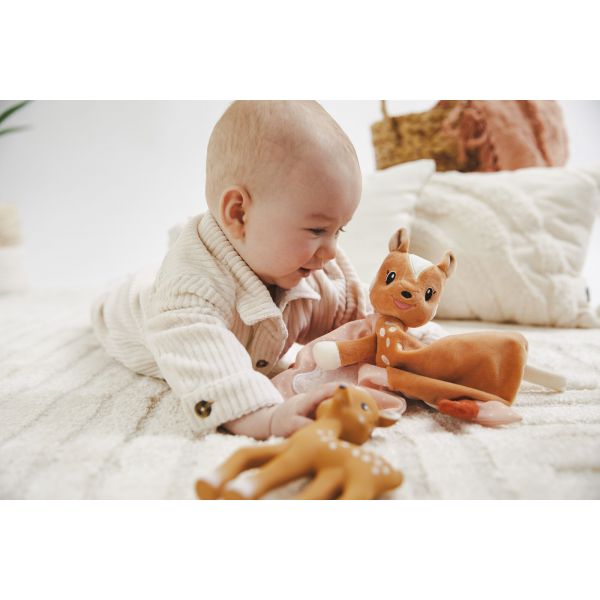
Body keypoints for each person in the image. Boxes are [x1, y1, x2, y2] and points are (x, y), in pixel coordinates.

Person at [90, 100, 380, 439]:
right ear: (239, 213)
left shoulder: (304, 270)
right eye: (317, 230)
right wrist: (268, 416)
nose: (331, 252)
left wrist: (413, 338)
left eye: (338, 230)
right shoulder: (188, 294)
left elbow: (359, 316)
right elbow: (210, 367)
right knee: (140, 287)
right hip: (127, 310)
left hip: (189, 275)